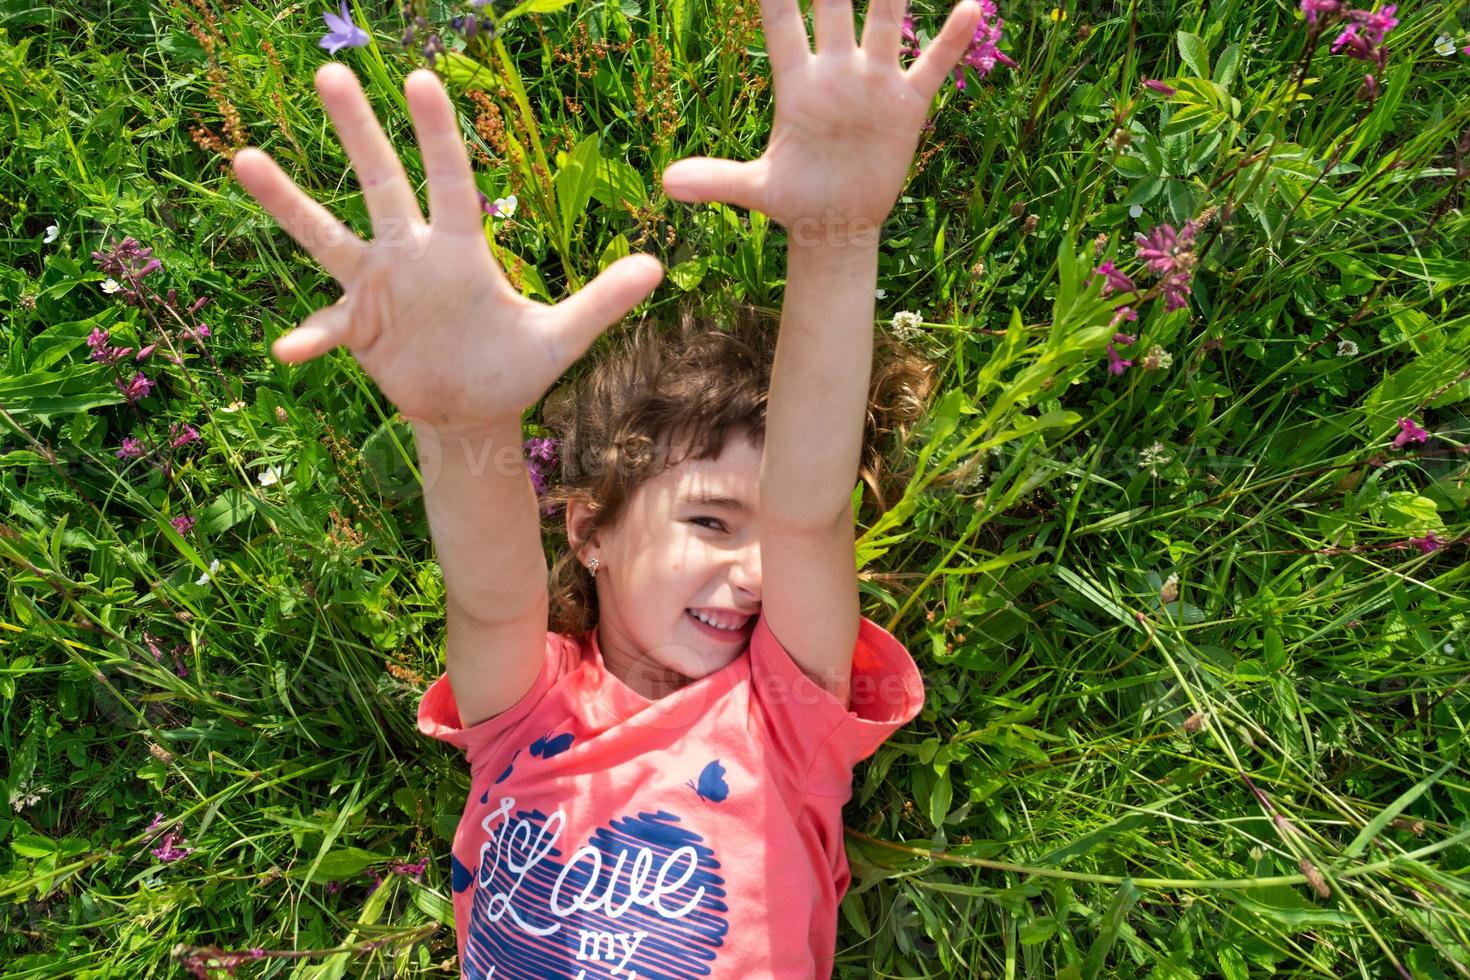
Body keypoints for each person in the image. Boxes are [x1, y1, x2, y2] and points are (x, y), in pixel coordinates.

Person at [232, 0, 985, 974]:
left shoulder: (785, 718)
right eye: (711, 517)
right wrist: (463, 423)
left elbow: (809, 514)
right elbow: (492, 590)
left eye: (768, 537)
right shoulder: (525, 709)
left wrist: (838, 241)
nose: (755, 569)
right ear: (589, 525)